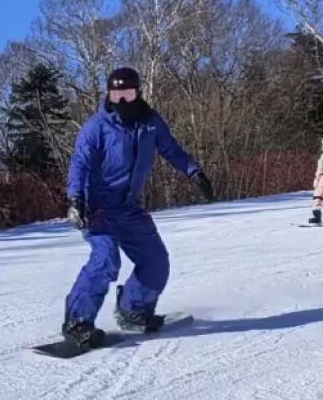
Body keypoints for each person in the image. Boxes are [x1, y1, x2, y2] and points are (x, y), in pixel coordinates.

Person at [62, 66, 215, 347]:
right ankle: (77, 322)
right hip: (97, 208)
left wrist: (194, 172)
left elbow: (171, 149)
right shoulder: (96, 127)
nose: (122, 101)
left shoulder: (150, 122)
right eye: (116, 94)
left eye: (128, 94)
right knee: (106, 260)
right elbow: (79, 164)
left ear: (138, 93)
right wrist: (76, 200)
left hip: (128, 207)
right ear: (108, 95)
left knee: (156, 261)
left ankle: (133, 310)